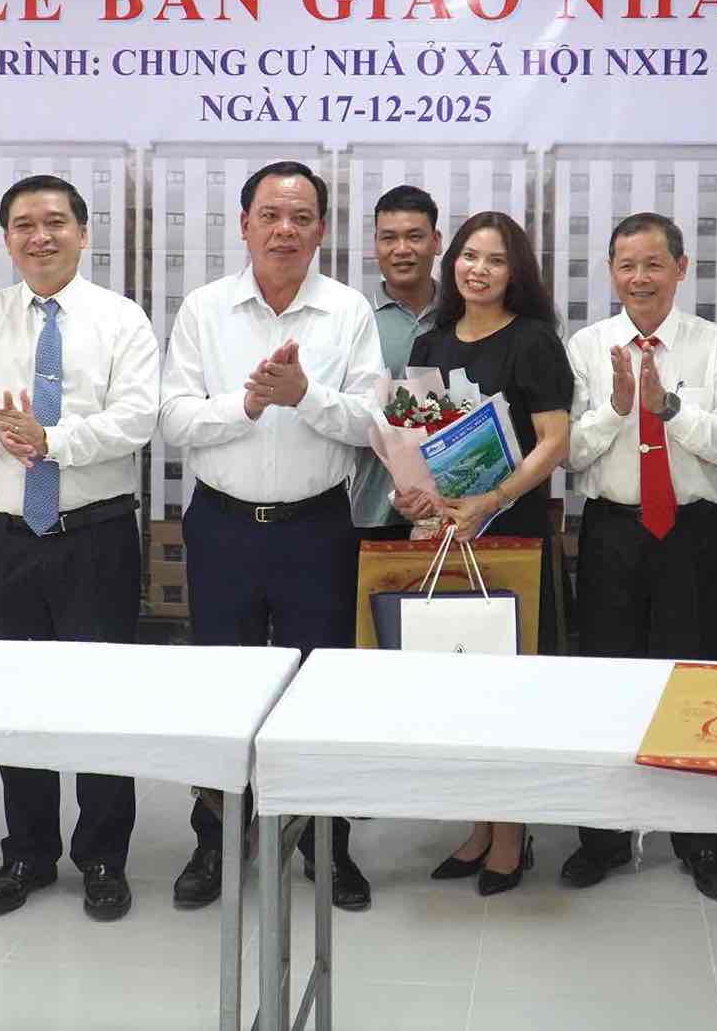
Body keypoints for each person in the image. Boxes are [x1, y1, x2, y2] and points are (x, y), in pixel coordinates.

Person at [159, 160, 383, 913]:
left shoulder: (347, 311)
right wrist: (249, 404)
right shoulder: (205, 309)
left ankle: (327, 843)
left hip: (317, 528)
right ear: (245, 224)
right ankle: (217, 839)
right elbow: (175, 418)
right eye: (271, 215)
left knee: (323, 691)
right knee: (220, 692)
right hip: (223, 525)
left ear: (321, 229)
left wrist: (306, 395)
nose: (285, 230)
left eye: (301, 217)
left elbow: (370, 421)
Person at [0, 174, 157, 922]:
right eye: (24, 224)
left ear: (82, 233)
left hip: (96, 537)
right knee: (17, 701)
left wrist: (51, 439)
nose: (41, 236)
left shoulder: (121, 319)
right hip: (9, 537)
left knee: (103, 706)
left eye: (55, 221)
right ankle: (27, 852)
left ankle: (103, 856)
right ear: (7, 239)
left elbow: (137, 419)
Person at [561, 212, 717, 899]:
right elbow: (569, 453)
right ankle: (603, 838)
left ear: (681, 269)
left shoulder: (715, 345)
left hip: (691, 533)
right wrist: (617, 408)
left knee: (694, 685)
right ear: (611, 271)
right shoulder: (587, 345)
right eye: (626, 265)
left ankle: (700, 840)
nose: (639, 278)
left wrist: (668, 406)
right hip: (611, 530)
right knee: (606, 683)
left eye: (652, 264)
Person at [399, 210, 573, 895]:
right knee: (463, 691)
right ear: (453, 264)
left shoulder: (534, 342)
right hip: (449, 537)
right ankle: (479, 826)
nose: (479, 269)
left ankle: (511, 835)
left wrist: (493, 497)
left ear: (515, 271)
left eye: (496, 260)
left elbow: (554, 442)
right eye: (470, 256)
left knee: (511, 693)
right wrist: (416, 495)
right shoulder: (432, 343)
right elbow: (418, 442)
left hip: (512, 532)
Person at [349, 185, 440, 539]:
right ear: (375, 245)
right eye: (389, 238)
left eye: (415, 236)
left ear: (436, 241)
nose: (402, 249)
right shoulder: (355, 319)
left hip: (458, 513)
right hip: (372, 514)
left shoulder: (465, 316)